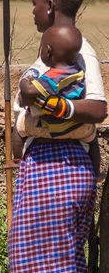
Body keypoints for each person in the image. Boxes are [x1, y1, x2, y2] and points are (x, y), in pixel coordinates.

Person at [9, 0, 107, 273]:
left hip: (57, 165)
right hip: (53, 163)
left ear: (49, 5)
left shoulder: (78, 52)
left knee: (54, 270)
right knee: (65, 267)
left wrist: (50, 105)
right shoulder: (60, 50)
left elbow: (97, 110)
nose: (31, 11)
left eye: (33, 4)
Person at [13, 24, 101, 178]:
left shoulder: (52, 77)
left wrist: (24, 82)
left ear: (48, 51)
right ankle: (95, 173)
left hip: (50, 126)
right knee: (93, 140)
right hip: (78, 126)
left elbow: (29, 91)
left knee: (19, 126)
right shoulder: (78, 72)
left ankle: (17, 160)